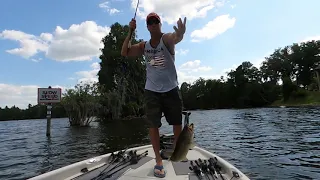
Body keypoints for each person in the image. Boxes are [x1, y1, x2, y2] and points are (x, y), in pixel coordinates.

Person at [121, 12, 187, 178]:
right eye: (150, 22)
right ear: (147, 27)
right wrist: (130, 32)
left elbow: (176, 37)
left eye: (155, 21)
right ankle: (158, 161)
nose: (153, 24)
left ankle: (177, 154)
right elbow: (125, 52)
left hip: (171, 89)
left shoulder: (166, 40)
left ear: (160, 23)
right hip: (152, 91)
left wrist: (181, 32)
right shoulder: (144, 46)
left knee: (177, 124)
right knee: (153, 126)